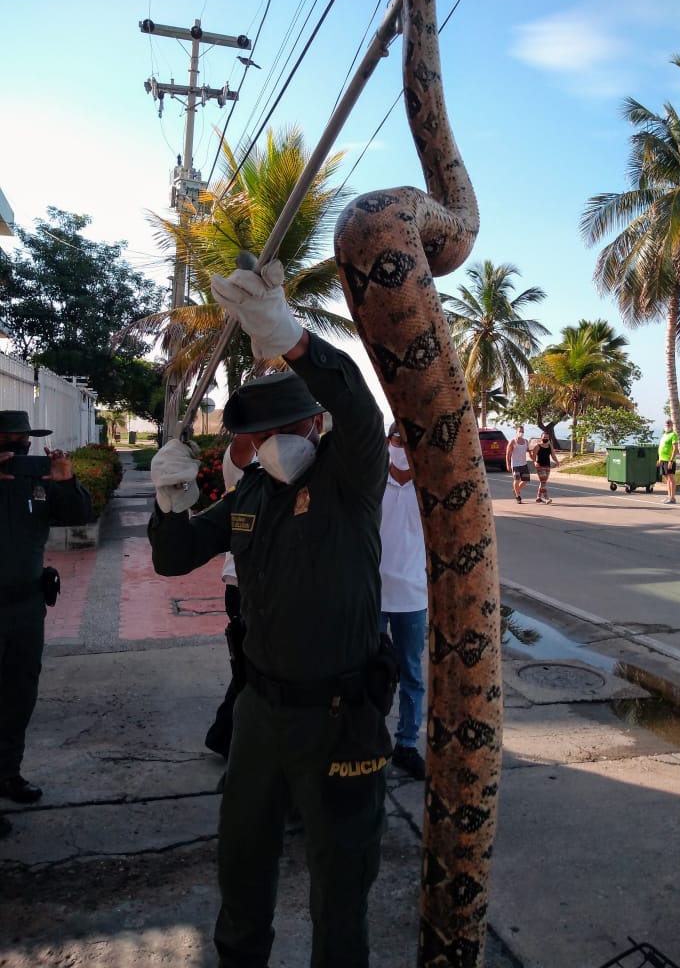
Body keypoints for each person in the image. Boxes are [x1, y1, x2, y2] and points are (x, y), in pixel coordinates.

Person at [148, 257, 390, 968]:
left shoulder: (351, 480)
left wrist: (288, 335)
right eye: (258, 433)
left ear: (314, 422)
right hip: (259, 713)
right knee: (241, 861)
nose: (270, 443)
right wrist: (169, 505)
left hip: (341, 717)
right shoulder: (250, 495)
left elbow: (359, 408)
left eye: (288, 425)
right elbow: (173, 559)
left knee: (341, 881)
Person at [0, 410, 92, 839]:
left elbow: (76, 517)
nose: (19, 448)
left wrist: (65, 480)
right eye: (9, 441)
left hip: (26, 608)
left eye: (24, 441)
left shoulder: (35, 481)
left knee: (20, 694)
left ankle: (8, 773)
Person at [204, 434, 257, 760]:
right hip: (243, 586)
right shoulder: (250, 467)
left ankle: (226, 738)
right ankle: (226, 738)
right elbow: (239, 452)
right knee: (251, 670)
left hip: (276, 586)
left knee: (255, 671)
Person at [380, 421, 427, 781]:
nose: (403, 446)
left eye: (410, 442)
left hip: (412, 597)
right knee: (368, 672)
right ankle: (368, 740)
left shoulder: (430, 493)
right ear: (388, 441)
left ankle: (406, 745)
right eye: (399, 438)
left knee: (412, 674)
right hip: (372, 596)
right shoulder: (371, 482)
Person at [506, 424, 531, 503]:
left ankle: (516, 490)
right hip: (515, 464)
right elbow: (508, 454)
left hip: (524, 464)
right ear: (516, 432)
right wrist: (508, 464)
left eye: (522, 431)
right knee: (516, 480)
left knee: (525, 480)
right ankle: (518, 496)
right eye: (520, 431)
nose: (521, 433)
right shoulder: (513, 442)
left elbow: (528, 451)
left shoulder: (526, 441)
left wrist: (534, 458)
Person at [531, 433, 559, 503]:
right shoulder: (537, 446)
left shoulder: (550, 446)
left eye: (547, 437)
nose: (545, 439)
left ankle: (538, 497)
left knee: (543, 482)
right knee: (543, 482)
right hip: (540, 466)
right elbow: (533, 456)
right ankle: (546, 498)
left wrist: (557, 461)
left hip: (547, 466)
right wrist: (535, 462)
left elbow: (553, 455)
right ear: (541, 438)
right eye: (544, 437)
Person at [658, 418, 679, 504]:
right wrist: (659, 459)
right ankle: (668, 496)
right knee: (667, 479)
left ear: (672, 426)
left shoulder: (673, 435)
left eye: (669, 424)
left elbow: (675, 448)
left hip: (669, 460)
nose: (667, 426)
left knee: (671, 478)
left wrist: (671, 460)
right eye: (666, 425)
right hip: (663, 459)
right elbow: (661, 447)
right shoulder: (664, 435)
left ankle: (672, 497)